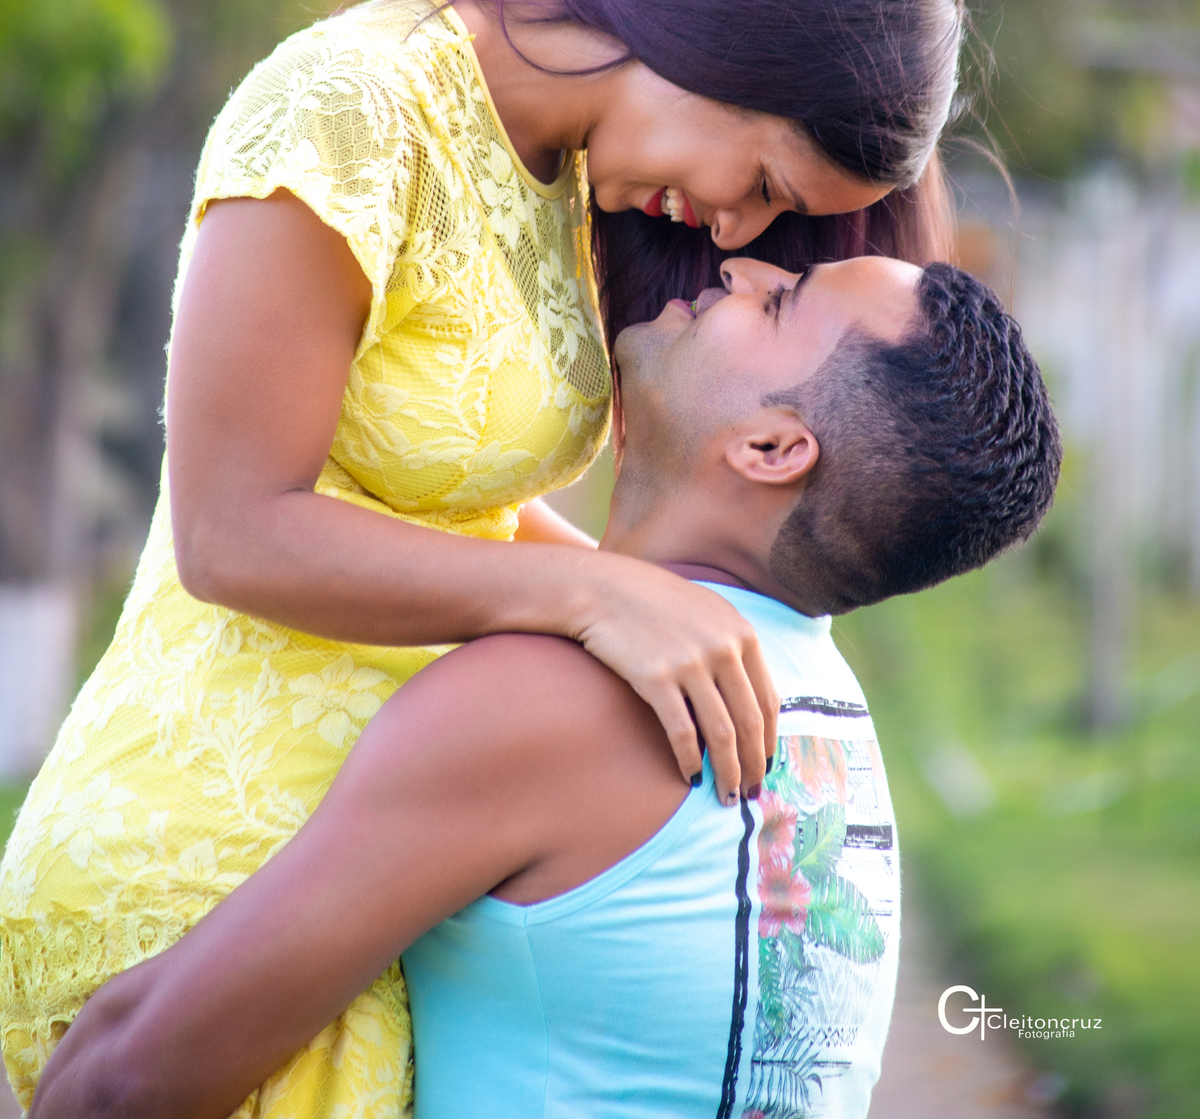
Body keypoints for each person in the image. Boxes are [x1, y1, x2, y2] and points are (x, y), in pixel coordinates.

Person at [0, 0, 966, 1115]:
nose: (734, 235)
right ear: (739, 43)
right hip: (209, 865)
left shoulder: (578, 163)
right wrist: (590, 596)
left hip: (388, 880)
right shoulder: (352, 107)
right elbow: (229, 532)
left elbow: (432, 495)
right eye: (769, 187)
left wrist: (636, 604)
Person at [28, 254, 1061, 1119]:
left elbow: (121, 1082)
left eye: (779, 301)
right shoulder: (827, 708)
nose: (739, 269)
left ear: (772, 448)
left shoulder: (557, 708)